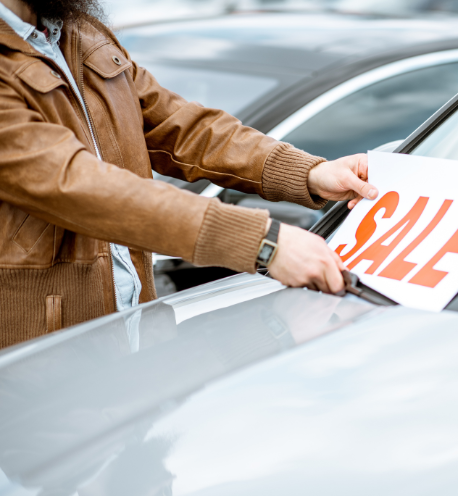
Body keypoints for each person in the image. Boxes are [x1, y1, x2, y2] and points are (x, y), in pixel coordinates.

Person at [0, 0, 379, 348]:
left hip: (136, 338)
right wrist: (262, 242)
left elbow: (182, 127)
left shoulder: (76, 31)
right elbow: (76, 185)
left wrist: (309, 172)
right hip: (43, 362)